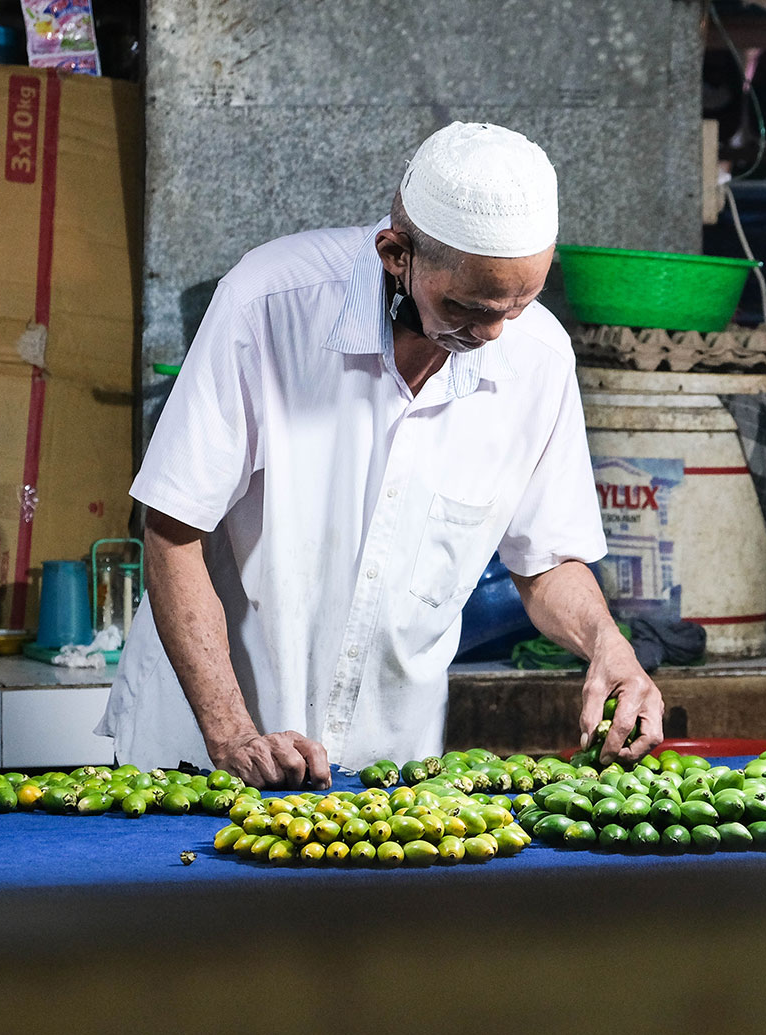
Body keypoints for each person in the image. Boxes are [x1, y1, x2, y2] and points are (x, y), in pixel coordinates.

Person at [97, 122, 665, 788]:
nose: (492, 334)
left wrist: (607, 644)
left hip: (382, 775)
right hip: (202, 755)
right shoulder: (268, 305)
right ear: (396, 254)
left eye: (519, 304)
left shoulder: (537, 358)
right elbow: (171, 529)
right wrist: (233, 734)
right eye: (468, 306)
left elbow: (545, 562)